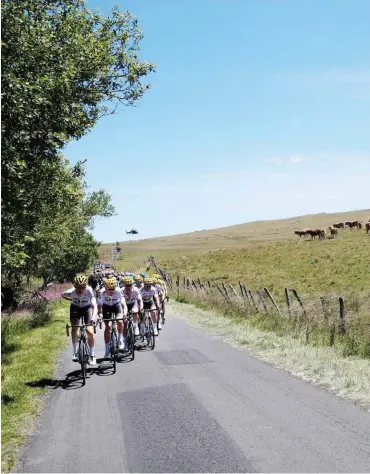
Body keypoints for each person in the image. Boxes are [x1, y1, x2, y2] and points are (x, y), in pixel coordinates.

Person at [61, 275, 97, 365]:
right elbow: (62, 295)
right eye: (78, 288)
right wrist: (72, 299)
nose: (80, 290)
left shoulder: (89, 290)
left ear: (86, 286)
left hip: (87, 308)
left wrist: (93, 318)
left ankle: (92, 355)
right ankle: (75, 352)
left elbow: (94, 306)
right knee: (74, 328)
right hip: (75, 308)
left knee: (90, 331)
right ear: (74, 286)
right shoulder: (71, 291)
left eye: (83, 287)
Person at [97, 277, 127, 357]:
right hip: (106, 307)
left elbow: (123, 304)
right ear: (106, 288)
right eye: (109, 289)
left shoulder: (118, 291)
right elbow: (99, 306)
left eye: (113, 289)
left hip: (116, 306)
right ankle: (107, 351)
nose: (111, 291)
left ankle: (120, 339)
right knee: (107, 327)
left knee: (120, 321)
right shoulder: (101, 292)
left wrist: (124, 314)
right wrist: (100, 315)